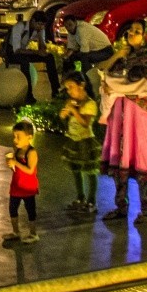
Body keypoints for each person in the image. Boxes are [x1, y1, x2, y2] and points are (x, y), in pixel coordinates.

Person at [98, 21, 147, 224]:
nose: (131, 34)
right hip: (121, 116)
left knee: (143, 162)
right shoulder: (125, 57)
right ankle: (121, 206)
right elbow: (103, 71)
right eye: (130, 31)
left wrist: (115, 88)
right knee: (120, 160)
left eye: (137, 32)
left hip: (142, 116)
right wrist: (118, 54)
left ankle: (146, 210)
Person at [59, 72, 102, 214]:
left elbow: (85, 123)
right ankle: (80, 197)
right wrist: (64, 114)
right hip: (73, 140)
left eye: (71, 87)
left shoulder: (90, 104)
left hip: (86, 142)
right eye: (67, 88)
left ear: (82, 85)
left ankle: (92, 201)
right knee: (75, 170)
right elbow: (64, 117)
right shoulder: (71, 102)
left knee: (90, 171)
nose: (69, 91)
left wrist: (73, 110)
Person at [5, 120, 41, 244]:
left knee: (30, 210)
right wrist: (11, 165)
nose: (15, 140)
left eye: (18, 137)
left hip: (27, 187)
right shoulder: (17, 150)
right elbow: (16, 169)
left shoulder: (31, 152)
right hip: (16, 186)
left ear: (29, 137)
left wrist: (16, 163)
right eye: (14, 136)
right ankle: (16, 232)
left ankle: (33, 233)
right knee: (12, 208)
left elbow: (30, 170)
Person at [64, 13, 114, 91]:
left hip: (105, 51)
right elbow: (72, 48)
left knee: (83, 58)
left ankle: (90, 82)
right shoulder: (72, 31)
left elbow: (84, 51)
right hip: (95, 51)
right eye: (66, 26)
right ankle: (73, 80)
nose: (68, 28)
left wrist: (72, 55)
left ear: (75, 22)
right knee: (71, 58)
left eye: (70, 25)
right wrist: (66, 57)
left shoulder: (82, 29)